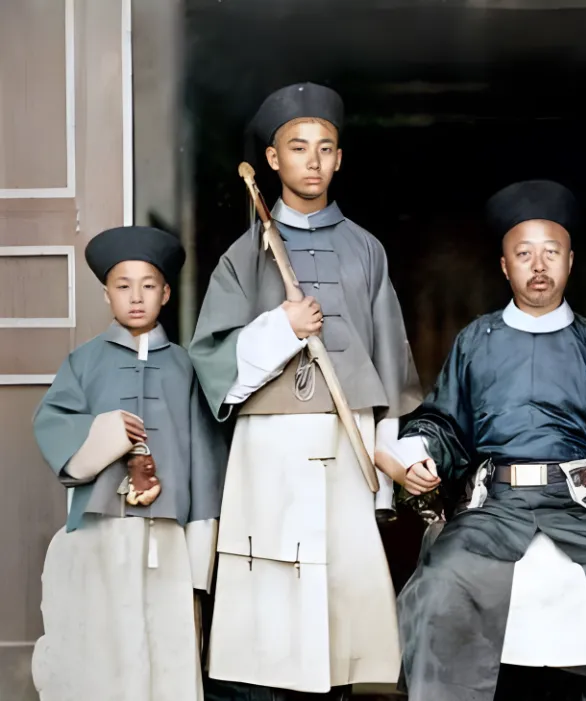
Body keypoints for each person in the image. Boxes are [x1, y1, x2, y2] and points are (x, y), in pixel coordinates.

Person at [390, 179, 586, 701]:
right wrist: (419, 453)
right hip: (494, 505)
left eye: (551, 252)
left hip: (578, 502)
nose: (538, 266)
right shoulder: (476, 341)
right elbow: (444, 420)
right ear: (504, 266)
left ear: (570, 262)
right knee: (442, 579)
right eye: (524, 254)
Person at [188, 83, 422, 699]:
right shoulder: (244, 256)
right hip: (271, 442)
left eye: (324, 148)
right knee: (273, 604)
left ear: (339, 159)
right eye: (297, 147)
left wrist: (386, 471)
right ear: (273, 159)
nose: (312, 161)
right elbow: (212, 360)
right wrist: (280, 328)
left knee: (340, 601)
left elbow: (390, 366)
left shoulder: (366, 250)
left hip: (347, 441)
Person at [31, 226, 225, 701]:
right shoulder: (83, 362)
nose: (136, 297)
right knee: (100, 644)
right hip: (100, 531)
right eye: (123, 286)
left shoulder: (186, 368)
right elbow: (53, 424)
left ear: (165, 293)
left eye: (148, 285)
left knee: (166, 644)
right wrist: (106, 433)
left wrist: (201, 548)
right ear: (106, 294)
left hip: (167, 536)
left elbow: (205, 457)